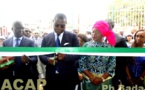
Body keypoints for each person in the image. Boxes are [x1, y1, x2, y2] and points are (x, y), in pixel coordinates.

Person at [39, 13, 80, 90]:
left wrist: (65, 57)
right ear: (53, 22)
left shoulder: (73, 37)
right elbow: (41, 55)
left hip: (68, 76)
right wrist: (48, 60)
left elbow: (77, 54)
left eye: (62, 26)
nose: (59, 28)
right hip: (51, 77)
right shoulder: (46, 38)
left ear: (66, 24)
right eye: (56, 25)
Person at [79, 20, 116, 90]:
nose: (94, 34)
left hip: (105, 81)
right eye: (93, 32)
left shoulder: (110, 47)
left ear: (103, 33)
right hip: (88, 80)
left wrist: (102, 78)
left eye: (97, 32)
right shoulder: (86, 45)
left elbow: (112, 65)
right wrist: (91, 77)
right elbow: (82, 63)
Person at [2, 21, 38, 89]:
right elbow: (4, 59)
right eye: (18, 28)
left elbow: (35, 59)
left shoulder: (30, 42)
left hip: (26, 77)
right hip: (10, 77)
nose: (21, 30)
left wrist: (28, 60)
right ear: (12, 29)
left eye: (22, 28)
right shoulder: (6, 43)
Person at [105, 19, 129, 89]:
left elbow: (124, 56)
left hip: (116, 70)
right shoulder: (102, 37)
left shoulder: (120, 39)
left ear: (112, 26)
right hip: (105, 69)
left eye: (107, 25)